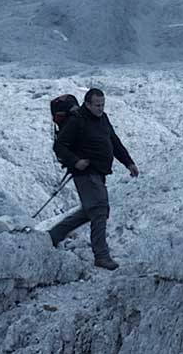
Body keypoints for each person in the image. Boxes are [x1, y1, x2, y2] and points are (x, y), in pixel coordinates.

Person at [48, 88, 140, 269]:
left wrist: (129, 163)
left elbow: (114, 142)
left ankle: (52, 236)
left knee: (88, 211)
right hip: (85, 173)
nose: (100, 108)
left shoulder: (103, 118)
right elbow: (59, 146)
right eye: (97, 105)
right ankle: (101, 255)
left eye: (102, 104)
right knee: (99, 209)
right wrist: (76, 161)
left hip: (99, 172)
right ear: (87, 104)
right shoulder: (77, 120)